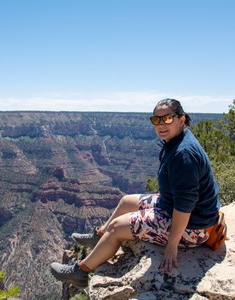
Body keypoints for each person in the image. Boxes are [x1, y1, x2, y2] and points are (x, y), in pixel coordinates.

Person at [50, 98, 220, 288]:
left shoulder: (184, 153)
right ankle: (100, 237)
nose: (161, 124)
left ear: (181, 119)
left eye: (168, 119)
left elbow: (185, 204)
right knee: (126, 202)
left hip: (194, 227)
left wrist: (172, 245)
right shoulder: (176, 141)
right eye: (156, 120)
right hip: (174, 207)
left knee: (116, 227)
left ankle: (80, 271)